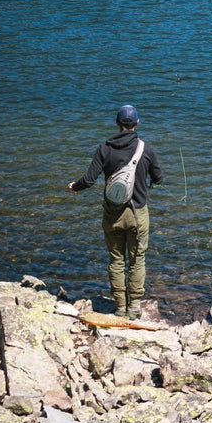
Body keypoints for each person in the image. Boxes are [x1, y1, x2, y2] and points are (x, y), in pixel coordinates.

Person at [67, 104, 163, 319]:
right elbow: (158, 178)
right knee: (137, 259)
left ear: (117, 124)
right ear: (137, 123)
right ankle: (134, 307)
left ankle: (120, 307)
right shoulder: (145, 149)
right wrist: (152, 183)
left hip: (112, 215)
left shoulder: (104, 149)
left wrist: (74, 187)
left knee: (116, 260)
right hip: (138, 214)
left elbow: (89, 180)